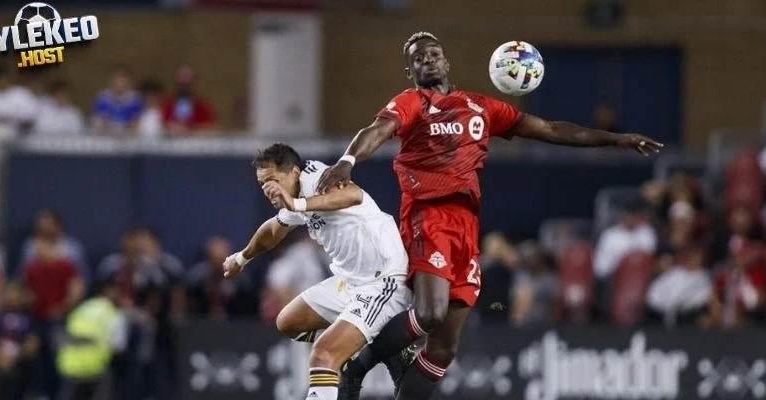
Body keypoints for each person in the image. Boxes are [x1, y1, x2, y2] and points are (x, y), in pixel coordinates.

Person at [315, 31, 663, 400]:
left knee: (444, 349)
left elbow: (550, 129)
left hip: (466, 225)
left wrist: (617, 139)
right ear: (410, 70)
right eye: (418, 58)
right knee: (430, 313)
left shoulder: (481, 107)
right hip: (428, 214)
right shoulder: (412, 102)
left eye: (434, 53)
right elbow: (378, 131)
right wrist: (347, 161)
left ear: (446, 62)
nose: (428, 59)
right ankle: (356, 367)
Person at [223, 143, 411, 400]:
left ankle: (369, 347)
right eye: (262, 183)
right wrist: (242, 258)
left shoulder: (319, 178)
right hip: (350, 282)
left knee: (323, 354)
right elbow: (273, 230)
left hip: (383, 281)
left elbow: (353, 195)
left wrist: (299, 204)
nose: (268, 188)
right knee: (288, 322)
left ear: (295, 172)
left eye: (272, 180)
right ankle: (383, 347)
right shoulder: (295, 196)